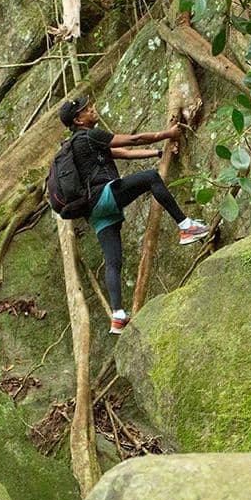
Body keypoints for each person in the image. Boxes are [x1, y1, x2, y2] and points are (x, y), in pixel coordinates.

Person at [59, 95, 210, 334]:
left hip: (94, 212)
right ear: (78, 120)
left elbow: (126, 153)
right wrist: (168, 134)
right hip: (104, 195)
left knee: (113, 261)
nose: (93, 110)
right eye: (87, 110)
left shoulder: (77, 147)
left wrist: (157, 153)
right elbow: (134, 139)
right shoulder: (90, 136)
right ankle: (186, 226)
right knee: (151, 178)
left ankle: (117, 314)